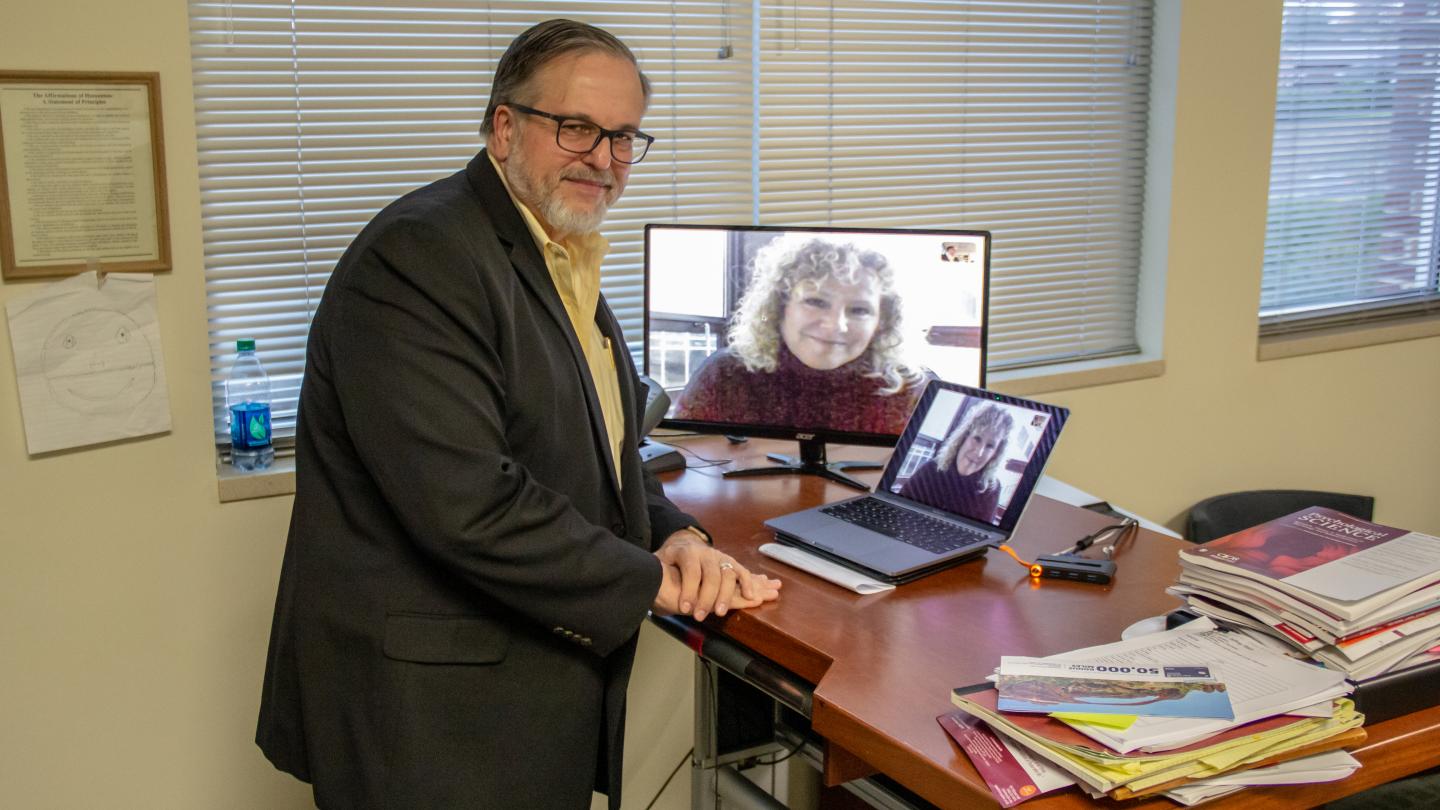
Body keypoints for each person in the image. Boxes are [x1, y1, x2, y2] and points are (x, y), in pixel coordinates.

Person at [255, 20, 781, 810]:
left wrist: (671, 532)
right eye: (576, 128)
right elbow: (467, 501)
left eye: (624, 137)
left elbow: (597, 448)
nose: (603, 159)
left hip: (516, 694)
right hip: (433, 721)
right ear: (505, 127)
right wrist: (651, 583)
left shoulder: (553, 246)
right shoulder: (422, 256)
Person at [672, 238, 926, 435]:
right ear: (780, 308)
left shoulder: (909, 391)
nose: (835, 325)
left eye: (859, 310)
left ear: (881, 323)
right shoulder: (725, 375)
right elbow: (685, 456)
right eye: (816, 301)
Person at [900, 403, 1015, 521]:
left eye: (990, 446)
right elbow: (899, 507)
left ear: (995, 454)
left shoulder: (991, 489)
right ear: (964, 437)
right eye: (977, 438)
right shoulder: (931, 469)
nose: (979, 453)